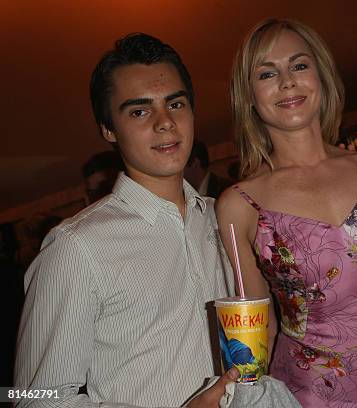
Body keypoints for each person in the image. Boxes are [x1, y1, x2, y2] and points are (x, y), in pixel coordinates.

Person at [215, 19, 357, 407]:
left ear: (322, 76)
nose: (287, 81)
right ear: (249, 95)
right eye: (267, 73)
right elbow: (256, 332)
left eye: (299, 65)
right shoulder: (238, 204)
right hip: (311, 397)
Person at [14, 33, 237, 407]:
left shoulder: (225, 217)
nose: (165, 122)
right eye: (139, 111)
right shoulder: (76, 246)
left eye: (176, 104)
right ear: (108, 129)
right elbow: (34, 398)